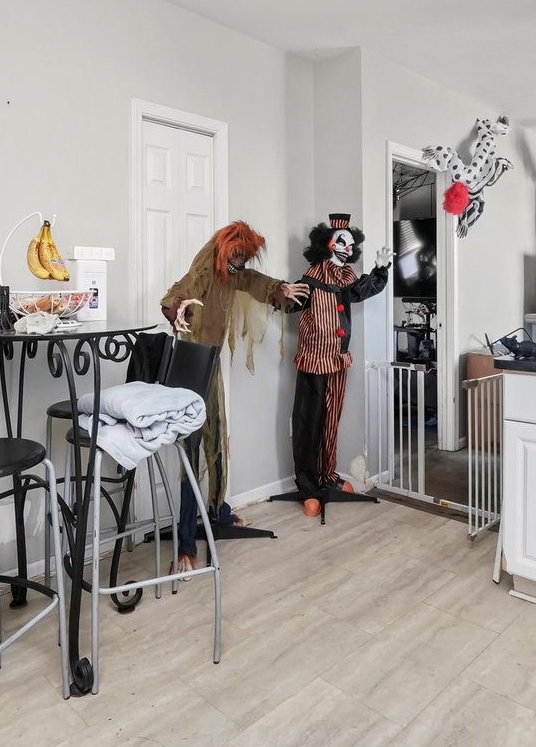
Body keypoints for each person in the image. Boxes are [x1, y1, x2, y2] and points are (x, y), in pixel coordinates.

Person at [160, 221, 308, 572]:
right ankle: (185, 542)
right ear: (225, 249)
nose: (239, 263)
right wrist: (176, 308)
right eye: (236, 256)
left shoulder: (234, 272)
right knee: (193, 449)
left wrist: (279, 290)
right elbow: (182, 290)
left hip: (208, 366)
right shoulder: (207, 265)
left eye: (243, 258)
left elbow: (253, 281)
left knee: (216, 443)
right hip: (189, 368)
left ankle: (218, 512)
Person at [289, 213, 390, 516]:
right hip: (314, 358)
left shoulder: (346, 280)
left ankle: (328, 478)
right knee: (309, 422)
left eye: (350, 243)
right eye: (341, 241)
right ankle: (308, 486)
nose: (347, 248)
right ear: (327, 244)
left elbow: (364, 289)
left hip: (339, 359)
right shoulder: (311, 279)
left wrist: (381, 269)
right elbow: (289, 304)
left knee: (332, 420)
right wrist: (279, 293)